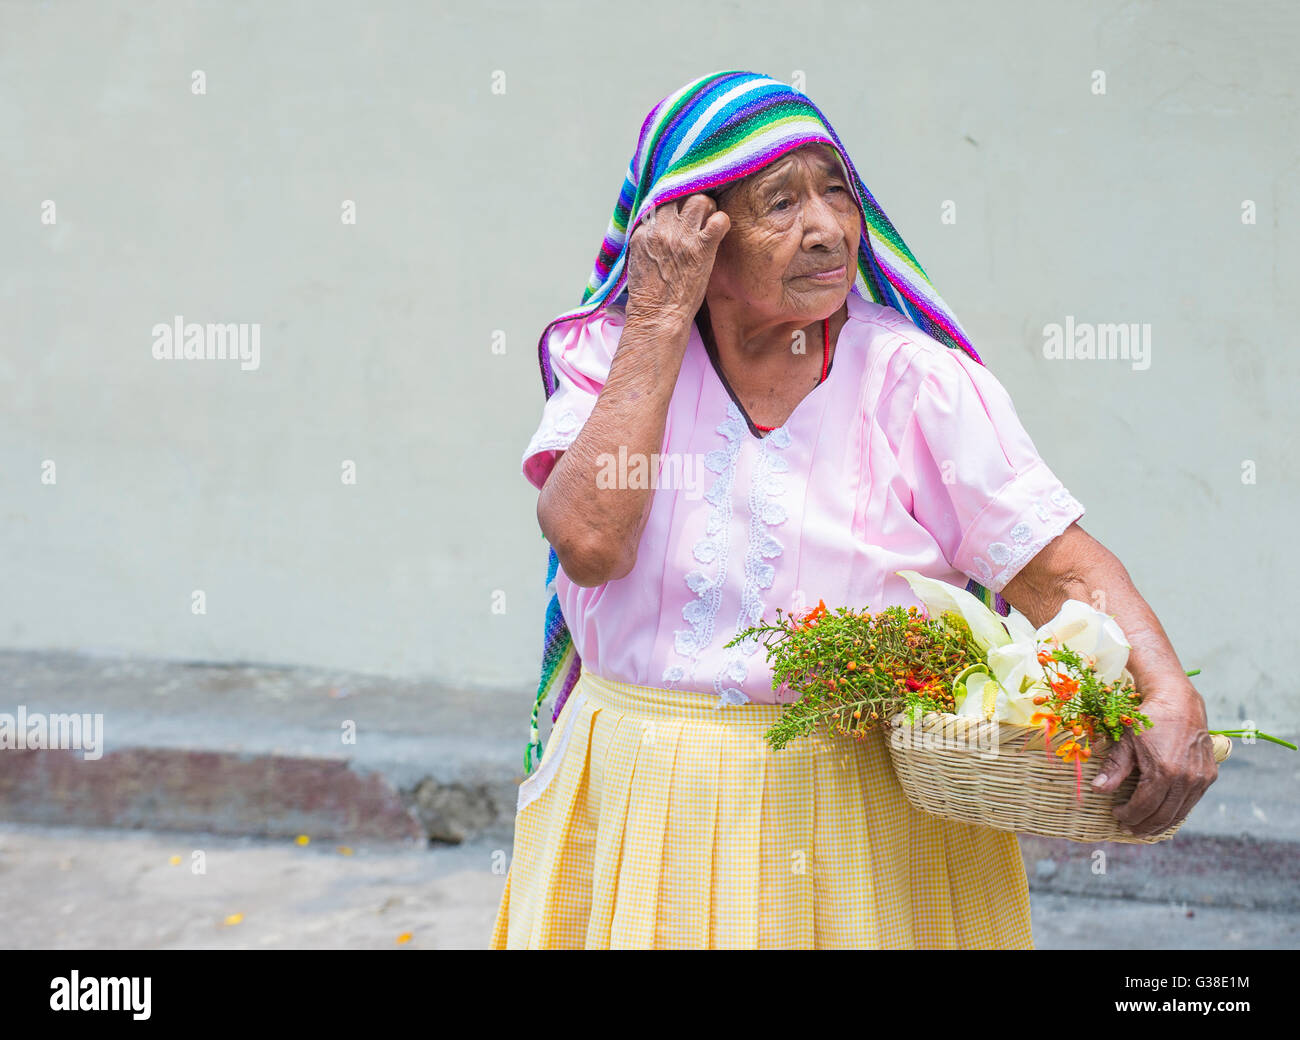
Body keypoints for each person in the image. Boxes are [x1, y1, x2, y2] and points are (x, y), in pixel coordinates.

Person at [491, 70, 1217, 949]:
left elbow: (1052, 564)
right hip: (645, 805)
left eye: (837, 190)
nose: (828, 227)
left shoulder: (916, 383)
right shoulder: (616, 357)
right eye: (781, 202)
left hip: (863, 827)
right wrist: (655, 318)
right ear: (693, 229)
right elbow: (590, 542)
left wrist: (1166, 687)